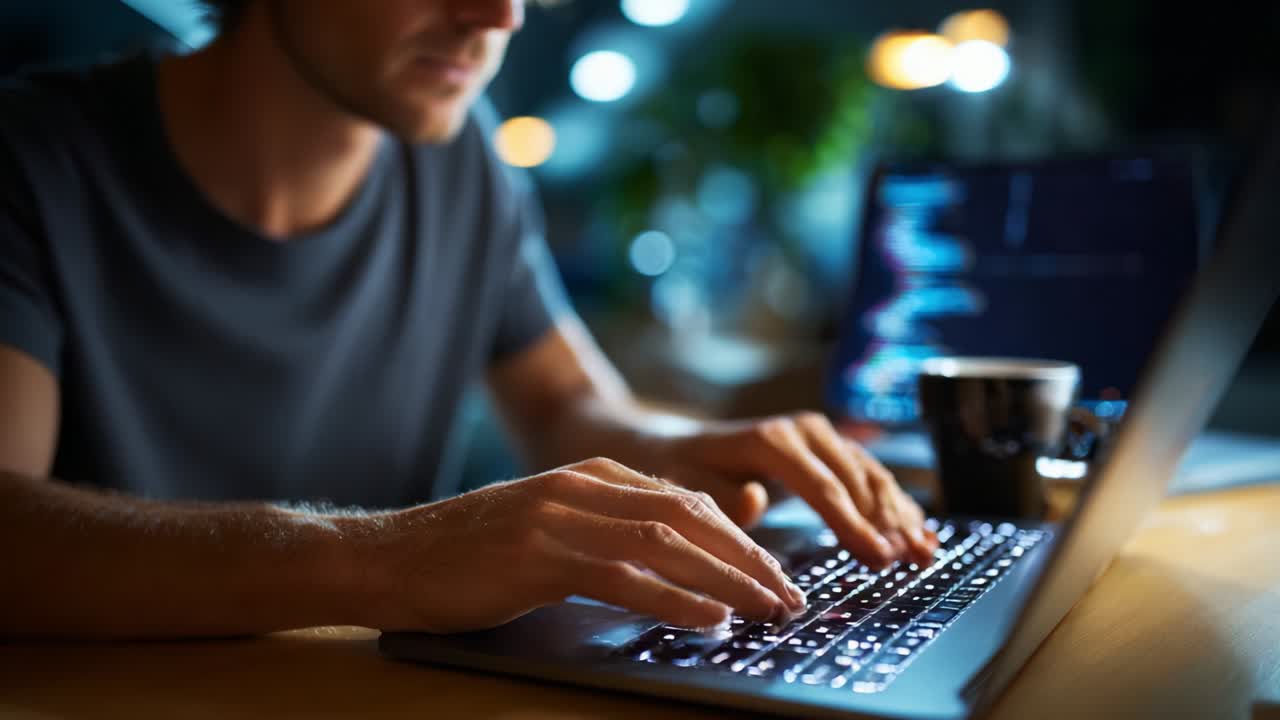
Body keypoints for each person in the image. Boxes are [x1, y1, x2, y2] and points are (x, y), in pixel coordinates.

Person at [0, 0, 936, 639]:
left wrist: (686, 453)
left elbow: (571, 407)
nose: (500, 16)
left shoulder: (459, 160)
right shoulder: (31, 160)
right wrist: (383, 560)